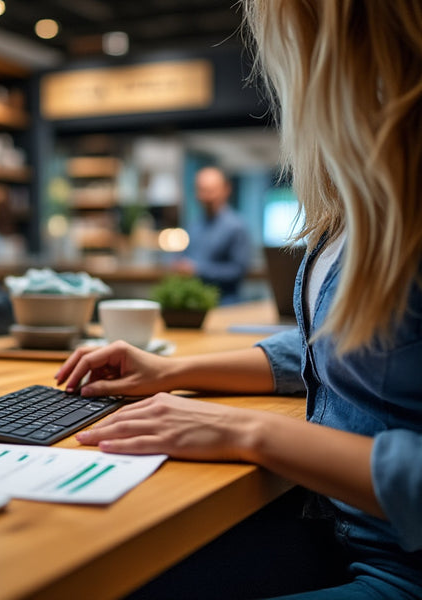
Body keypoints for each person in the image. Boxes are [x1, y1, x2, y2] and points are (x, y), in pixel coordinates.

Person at [55, 2, 422, 599]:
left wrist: (249, 431)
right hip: (338, 527)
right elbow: (328, 346)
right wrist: (170, 371)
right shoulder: (365, 201)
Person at [172, 166, 251, 303]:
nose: (206, 197)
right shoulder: (194, 225)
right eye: (202, 190)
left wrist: (198, 270)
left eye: (211, 191)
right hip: (196, 302)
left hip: (225, 304)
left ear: (226, 190)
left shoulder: (236, 227)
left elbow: (238, 271)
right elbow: (185, 257)